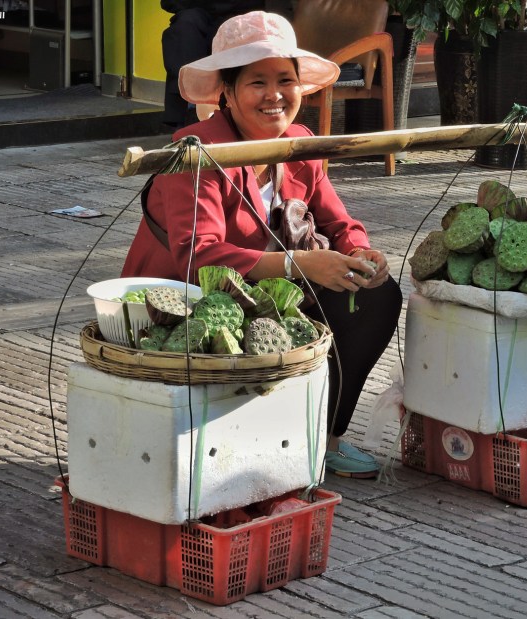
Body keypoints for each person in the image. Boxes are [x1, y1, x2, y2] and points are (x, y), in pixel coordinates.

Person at [122, 11, 402, 479]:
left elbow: (337, 219)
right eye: (257, 82)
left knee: (375, 294)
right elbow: (198, 256)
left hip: (265, 290)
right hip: (187, 305)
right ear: (226, 93)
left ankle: (326, 436)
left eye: (285, 81)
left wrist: (359, 252)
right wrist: (299, 264)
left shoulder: (298, 143)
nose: (275, 96)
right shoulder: (195, 150)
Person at [160, 0, 265, 128]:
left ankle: (231, 111)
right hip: (200, 12)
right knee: (185, 26)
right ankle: (191, 106)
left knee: (234, 29)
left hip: (245, 15)